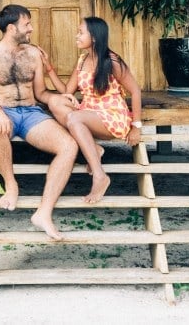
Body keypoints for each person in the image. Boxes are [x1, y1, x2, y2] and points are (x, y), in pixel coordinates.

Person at [0, 4, 78, 240]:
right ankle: (11, 185)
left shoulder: (33, 54)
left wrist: (58, 98)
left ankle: (44, 212)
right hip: (2, 111)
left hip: (31, 113)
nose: (30, 29)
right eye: (26, 24)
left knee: (69, 146)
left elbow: (41, 93)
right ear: (11, 28)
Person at [42, 16, 143, 204]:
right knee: (55, 102)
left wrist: (136, 126)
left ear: (94, 37)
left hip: (112, 116)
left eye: (81, 32)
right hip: (87, 112)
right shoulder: (82, 60)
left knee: (73, 119)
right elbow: (66, 91)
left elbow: (135, 91)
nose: (76, 36)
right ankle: (94, 149)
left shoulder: (112, 61)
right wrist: (49, 68)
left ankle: (99, 176)